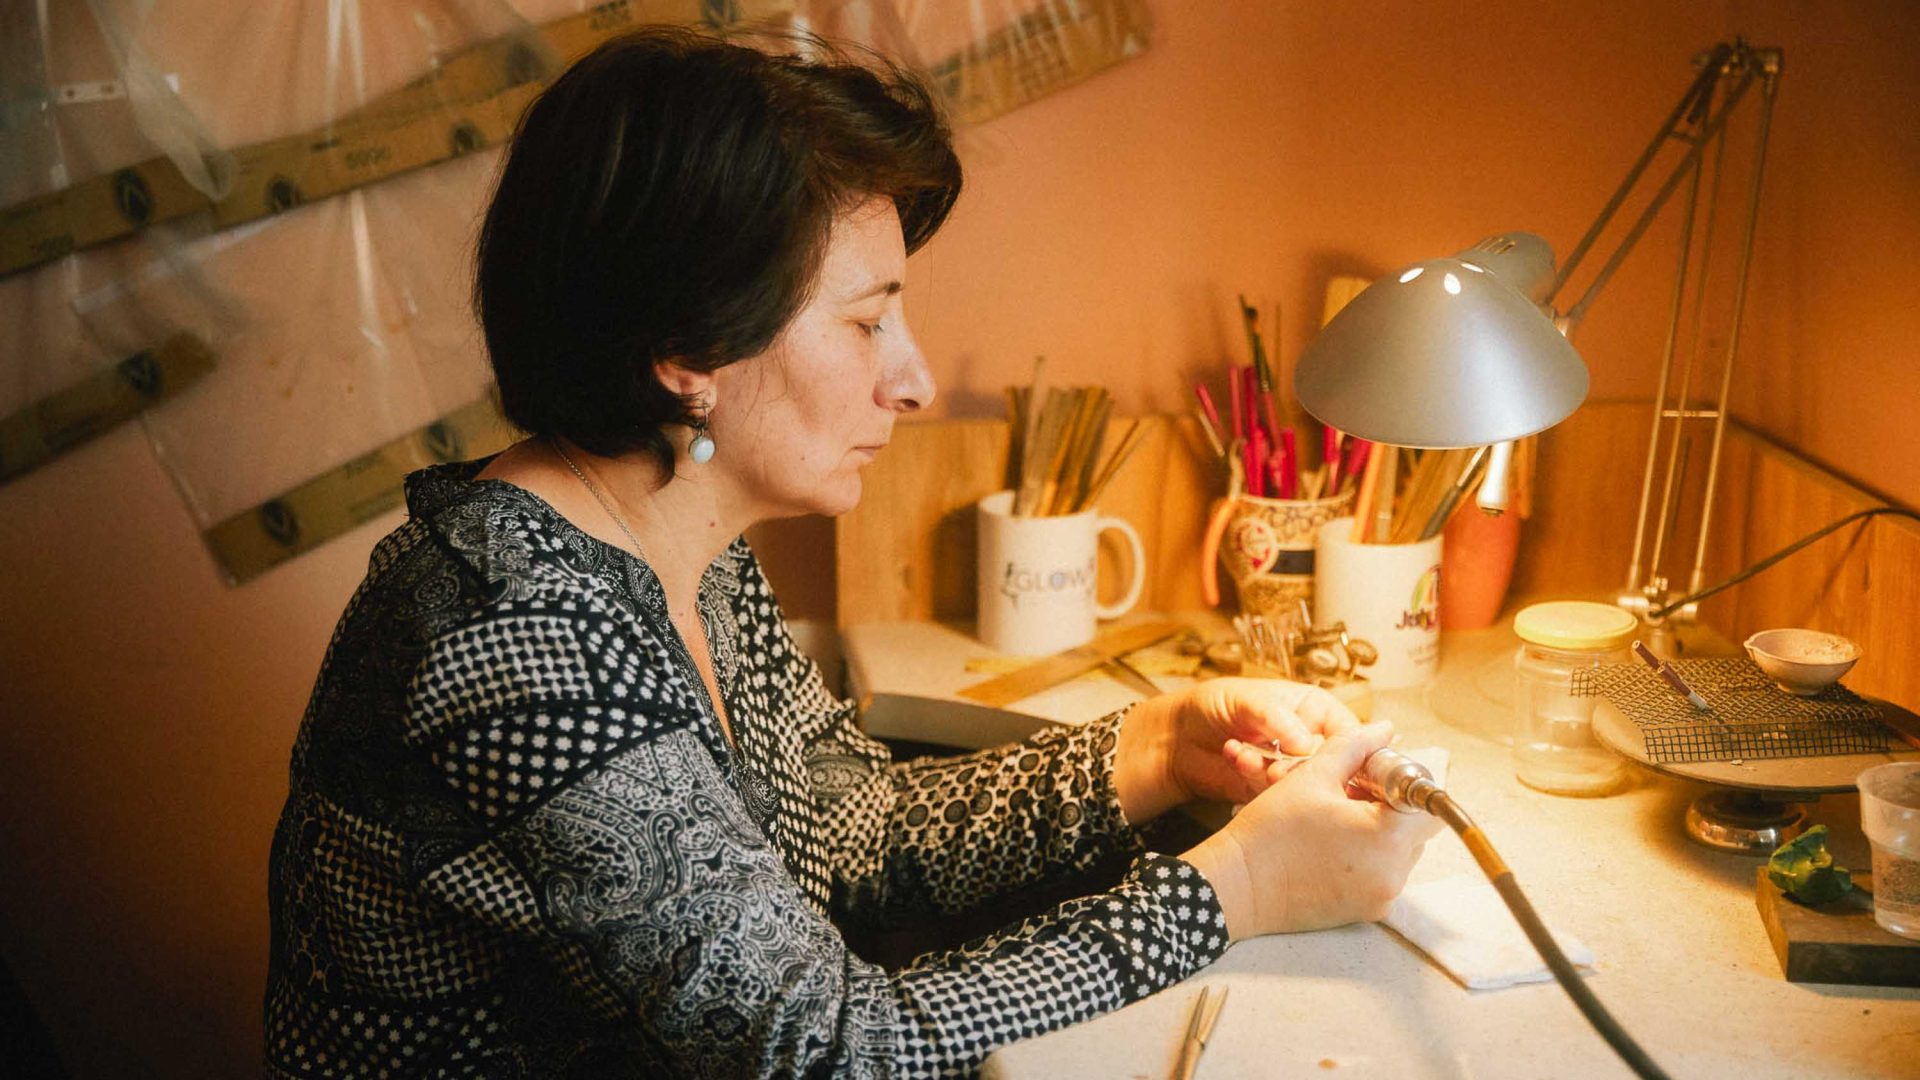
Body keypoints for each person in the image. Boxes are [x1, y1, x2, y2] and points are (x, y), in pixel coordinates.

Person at [263, 26, 1438, 1079]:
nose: (914, 380)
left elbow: (852, 830)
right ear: (689, 348)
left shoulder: (682, 540)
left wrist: (1162, 744)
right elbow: (823, 1049)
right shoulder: (516, 635)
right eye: (870, 321)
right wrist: (1240, 887)